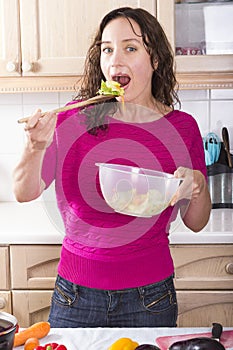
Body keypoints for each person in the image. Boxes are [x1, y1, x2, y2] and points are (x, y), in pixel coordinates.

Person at [13, 7, 211, 328]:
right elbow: (24, 191)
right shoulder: (70, 120)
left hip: (151, 297)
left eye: (130, 48)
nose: (115, 60)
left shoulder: (182, 127)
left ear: (155, 60)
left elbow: (197, 221)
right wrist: (35, 146)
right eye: (107, 49)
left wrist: (198, 184)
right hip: (74, 296)